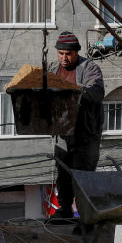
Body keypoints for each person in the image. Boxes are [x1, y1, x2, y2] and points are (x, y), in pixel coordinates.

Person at [47, 31, 105, 223]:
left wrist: (73, 91)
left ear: (76, 52)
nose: (64, 58)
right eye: (61, 53)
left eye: (68, 54)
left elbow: (96, 92)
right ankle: (64, 210)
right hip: (63, 133)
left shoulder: (89, 68)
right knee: (63, 172)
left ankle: (86, 214)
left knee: (83, 176)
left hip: (85, 133)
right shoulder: (54, 71)